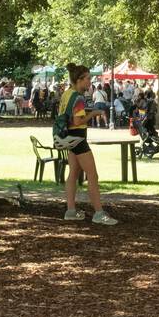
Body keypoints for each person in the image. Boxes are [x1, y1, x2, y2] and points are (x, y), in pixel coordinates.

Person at [56, 64, 118, 225]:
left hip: (68, 137)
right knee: (92, 175)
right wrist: (93, 113)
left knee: (73, 173)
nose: (90, 81)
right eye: (88, 78)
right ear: (79, 80)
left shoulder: (67, 94)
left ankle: (70, 210)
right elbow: (77, 121)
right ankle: (99, 213)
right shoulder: (78, 97)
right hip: (78, 139)